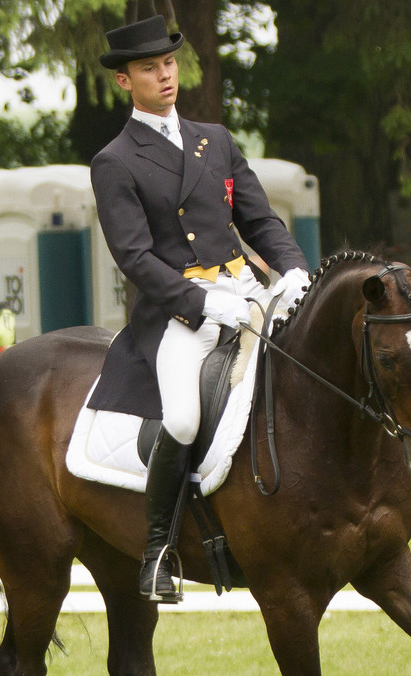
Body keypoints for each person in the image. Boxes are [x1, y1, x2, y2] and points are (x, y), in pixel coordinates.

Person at [89, 15, 310, 603]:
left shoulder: (215, 139)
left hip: (245, 291)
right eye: (148, 69)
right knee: (183, 419)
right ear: (123, 82)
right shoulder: (115, 161)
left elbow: (259, 219)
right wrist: (201, 300)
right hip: (178, 313)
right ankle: (158, 548)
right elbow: (135, 258)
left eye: (168, 64)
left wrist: (292, 269)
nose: (164, 76)